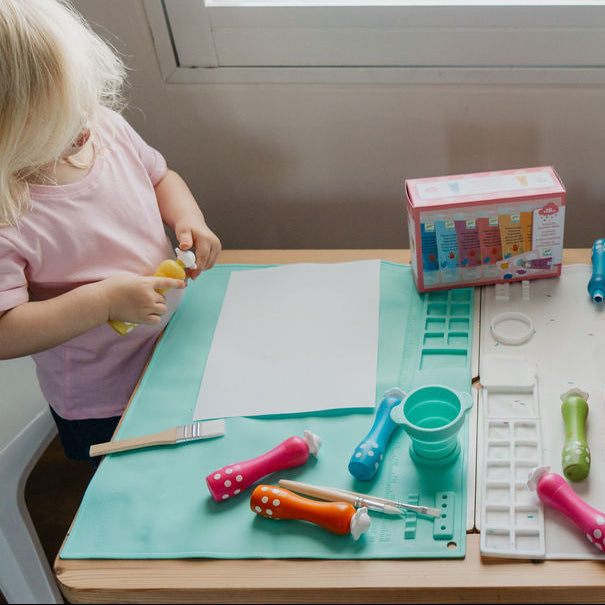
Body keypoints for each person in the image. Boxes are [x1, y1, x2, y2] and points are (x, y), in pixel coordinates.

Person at [0, 0, 222, 466]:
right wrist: (102, 302)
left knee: (189, 460)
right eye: (61, 120)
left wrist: (188, 220)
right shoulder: (8, 213)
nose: (85, 122)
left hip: (172, 342)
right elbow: (5, 333)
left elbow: (161, 177)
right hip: (103, 396)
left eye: (86, 98)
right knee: (132, 484)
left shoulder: (105, 129)